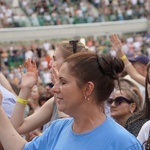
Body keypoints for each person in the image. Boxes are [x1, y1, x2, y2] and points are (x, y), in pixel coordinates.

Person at [0, 52, 142, 150]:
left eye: (63, 82)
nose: (54, 89)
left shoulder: (123, 143)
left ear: (87, 88)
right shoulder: (58, 129)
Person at [10, 40, 87, 135]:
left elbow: (66, 132)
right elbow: (16, 128)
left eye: (54, 59)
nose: (50, 63)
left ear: (69, 63)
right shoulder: (53, 102)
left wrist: (59, 90)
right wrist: (25, 89)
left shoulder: (84, 100)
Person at [110, 34, 150, 137]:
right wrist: (120, 53)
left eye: (119, 101)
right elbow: (133, 73)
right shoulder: (143, 124)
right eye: (148, 81)